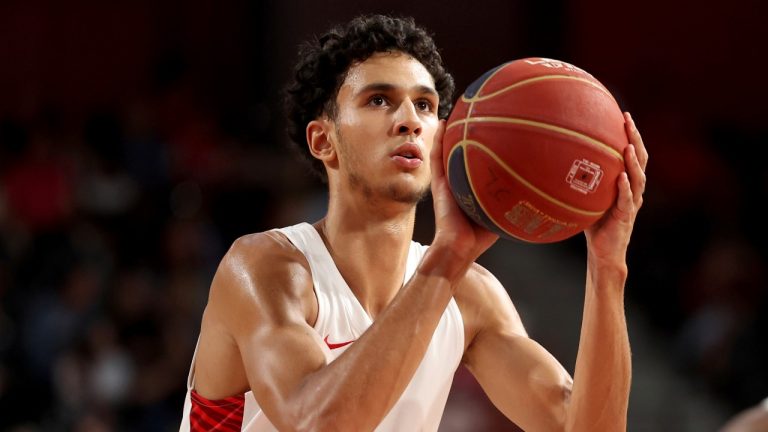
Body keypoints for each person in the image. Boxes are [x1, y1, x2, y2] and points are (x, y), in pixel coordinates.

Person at [178, 14, 648, 432]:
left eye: (425, 105)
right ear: (324, 140)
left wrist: (608, 270)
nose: (410, 120)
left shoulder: (469, 297)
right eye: (379, 100)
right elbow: (316, 423)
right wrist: (448, 258)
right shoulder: (264, 269)